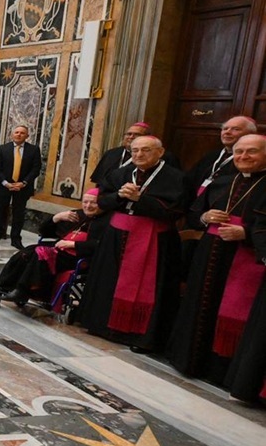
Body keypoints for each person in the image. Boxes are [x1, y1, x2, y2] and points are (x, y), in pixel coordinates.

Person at [168, 133, 266, 382]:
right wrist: (205, 217)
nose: (243, 156)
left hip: (247, 261)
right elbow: (192, 215)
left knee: (234, 314)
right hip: (209, 256)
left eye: (251, 151)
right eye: (238, 151)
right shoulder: (222, 182)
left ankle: (224, 372)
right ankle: (190, 362)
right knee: (201, 304)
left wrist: (244, 233)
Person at [80, 135, 186, 351]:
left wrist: (141, 200)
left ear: (160, 152)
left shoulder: (176, 178)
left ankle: (139, 336)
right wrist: (119, 196)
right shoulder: (120, 173)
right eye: (135, 150)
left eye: (145, 150)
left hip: (154, 239)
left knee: (150, 288)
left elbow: (178, 211)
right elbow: (101, 201)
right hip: (116, 236)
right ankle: (103, 326)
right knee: (108, 281)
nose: (138, 154)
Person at [0, 190, 109, 309]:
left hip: (76, 256)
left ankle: (23, 290)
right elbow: (44, 232)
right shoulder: (78, 215)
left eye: (93, 203)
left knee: (39, 253)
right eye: (85, 202)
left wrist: (72, 245)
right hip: (58, 251)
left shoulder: (106, 222)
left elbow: (101, 245)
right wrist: (56, 218)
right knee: (24, 254)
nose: (88, 206)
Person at [0, 125, 41, 248]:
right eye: (16, 132)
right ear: (12, 134)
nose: (19, 134)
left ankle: (16, 238)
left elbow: (36, 169)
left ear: (27, 136)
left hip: (22, 187)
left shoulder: (33, 150)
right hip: (4, 186)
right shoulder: (3, 148)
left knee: (19, 213)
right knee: (1, 212)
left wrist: (23, 183)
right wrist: (6, 183)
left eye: (22, 133)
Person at [183, 116, 257, 200]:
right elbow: (189, 181)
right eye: (225, 129)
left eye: (236, 129)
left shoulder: (248, 161)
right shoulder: (211, 156)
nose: (228, 132)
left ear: (250, 134)